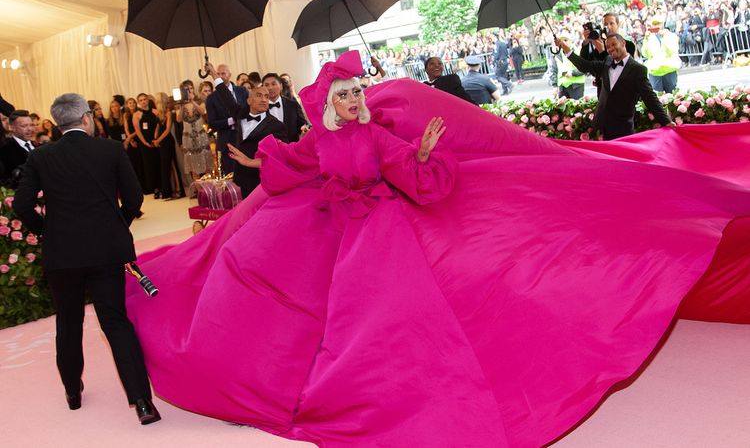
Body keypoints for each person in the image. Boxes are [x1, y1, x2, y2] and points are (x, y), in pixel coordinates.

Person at [125, 51, 750, 447]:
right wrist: (257, 159)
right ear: (330, 106)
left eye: (357, 93)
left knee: (390, 329)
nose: (354, 101)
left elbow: (415, 176)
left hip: (378, 234)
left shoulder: (379, 136)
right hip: (328, 231)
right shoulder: (320, 142)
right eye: (344, 96)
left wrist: (422, 155)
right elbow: (289, 169)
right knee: (273, 295)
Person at [13, 93, 160, 425]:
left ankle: (72, 392)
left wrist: (46, 231)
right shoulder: (110, 149)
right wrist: (118, 225)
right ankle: (142, 402)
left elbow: (22, 205)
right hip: (106, 250)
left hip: (62, 253)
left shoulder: (41, 156)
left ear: (58, 123)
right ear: (85, 119)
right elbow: (134, 197)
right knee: (115, 322)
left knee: (68, 322)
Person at [555, 34, 675, 140]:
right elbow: (584, 65)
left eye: (613, 44)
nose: (611, 49)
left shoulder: (638, 70)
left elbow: (650, 98)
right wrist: (564, 47)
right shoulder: (607, 62)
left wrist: (666, 121)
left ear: (623, 43)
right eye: (608, 47)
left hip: (622, 129)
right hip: (600, 126)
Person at [206, 63, 289, 198]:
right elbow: (225, 95)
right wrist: (214, 74)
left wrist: (250, 162)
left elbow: (280, 157)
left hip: (265, 179)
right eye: (259, 95)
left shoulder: (277, 126)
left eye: (266, 96)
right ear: (249, 100)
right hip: (242, 178)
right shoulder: (240, 114)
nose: (264, 100)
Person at [206, 64, 248, 174]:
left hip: (245, 137)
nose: (220, 76)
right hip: (227, 141)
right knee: (231, 174)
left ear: (230, 75)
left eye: (223, 73)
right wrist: (231, 120)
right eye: (218, 74)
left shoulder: (242, 91)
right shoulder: (211, 98)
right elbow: (212, 124)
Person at [176, 80, 212, 182]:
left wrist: (192, 101)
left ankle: (209, 189)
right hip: (188, 138)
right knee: (193, 167)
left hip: (201, 135)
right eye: (186, 89)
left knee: (206, 164)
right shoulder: (179, 105)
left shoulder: (200, 101)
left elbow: (203, 112)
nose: (189, 90)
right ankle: (199, 190)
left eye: (191, 88)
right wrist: (182, 105)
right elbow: (178, 119)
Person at [261, 73, 309, 142]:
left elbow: (302, 124)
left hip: (291, 145)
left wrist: (304, 129)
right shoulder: (258, 107)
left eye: (273, 84)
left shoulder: (293, 105)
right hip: (268, 147)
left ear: (281, 86)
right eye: (266, 85)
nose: (270, 88)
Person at [640, 16, 681, 94]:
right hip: (655, 71)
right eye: (654, 24)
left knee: (672, 95)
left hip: (669, 69)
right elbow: (645, 54)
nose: (656, 26)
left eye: (658, 23)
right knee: (657, 97)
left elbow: (670, 51)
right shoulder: (650, 37)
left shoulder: (671, 35)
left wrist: (663, 38)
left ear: (662, 24)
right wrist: (646, 39)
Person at [0, 110, 36, 186]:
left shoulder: (40, 146)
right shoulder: (4, 151)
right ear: (12, 128)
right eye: (24, 126)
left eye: (31, 125)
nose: (30, 129)